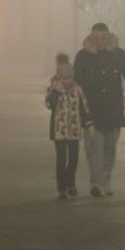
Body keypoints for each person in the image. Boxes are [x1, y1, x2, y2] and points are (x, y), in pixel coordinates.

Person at [73, 22, 125, 197]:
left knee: (110, 148)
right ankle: (96, 183)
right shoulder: (83, 56)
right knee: (94, 148)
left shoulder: (118, 55)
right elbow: (77, 84)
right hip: (91, 110)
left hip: (113, 109)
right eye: (96, 38)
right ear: (91, 38)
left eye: (103, 38)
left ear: (109, 37)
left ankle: (106, 179)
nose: (100, 42)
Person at [46, 53, 93, 200]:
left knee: (73, 158)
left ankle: (71, 183)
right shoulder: (54, 89)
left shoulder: (77, 89)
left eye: (70, 78)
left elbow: (84, 108)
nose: (67, 81)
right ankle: (62, 187)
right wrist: (55, 91)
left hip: (74, 129)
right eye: (64, 78)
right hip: (59, 130)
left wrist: (87, 124)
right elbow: (49, 105)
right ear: (59, 77)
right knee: (61, 158)